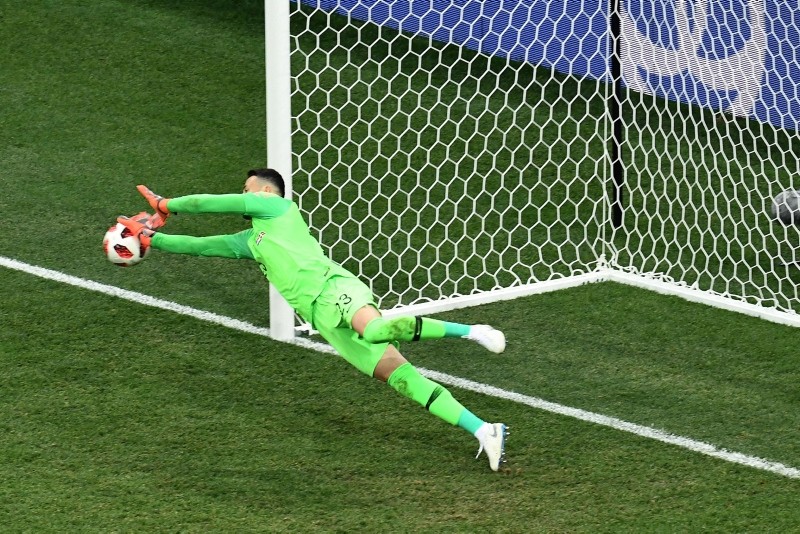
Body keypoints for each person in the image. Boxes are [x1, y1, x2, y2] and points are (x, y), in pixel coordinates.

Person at [118, 168, 509, 471]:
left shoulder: (278, 208)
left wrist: (167, 204)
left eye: (247, 189)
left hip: (335, 288)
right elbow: (201, 247)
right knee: (402, 379)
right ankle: (484, 429)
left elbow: (206, 203)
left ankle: (474, 330)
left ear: (265, 191)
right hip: (322, 319)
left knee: (375, 329)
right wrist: (151, 238)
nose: (243, 195)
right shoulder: (250, 241)